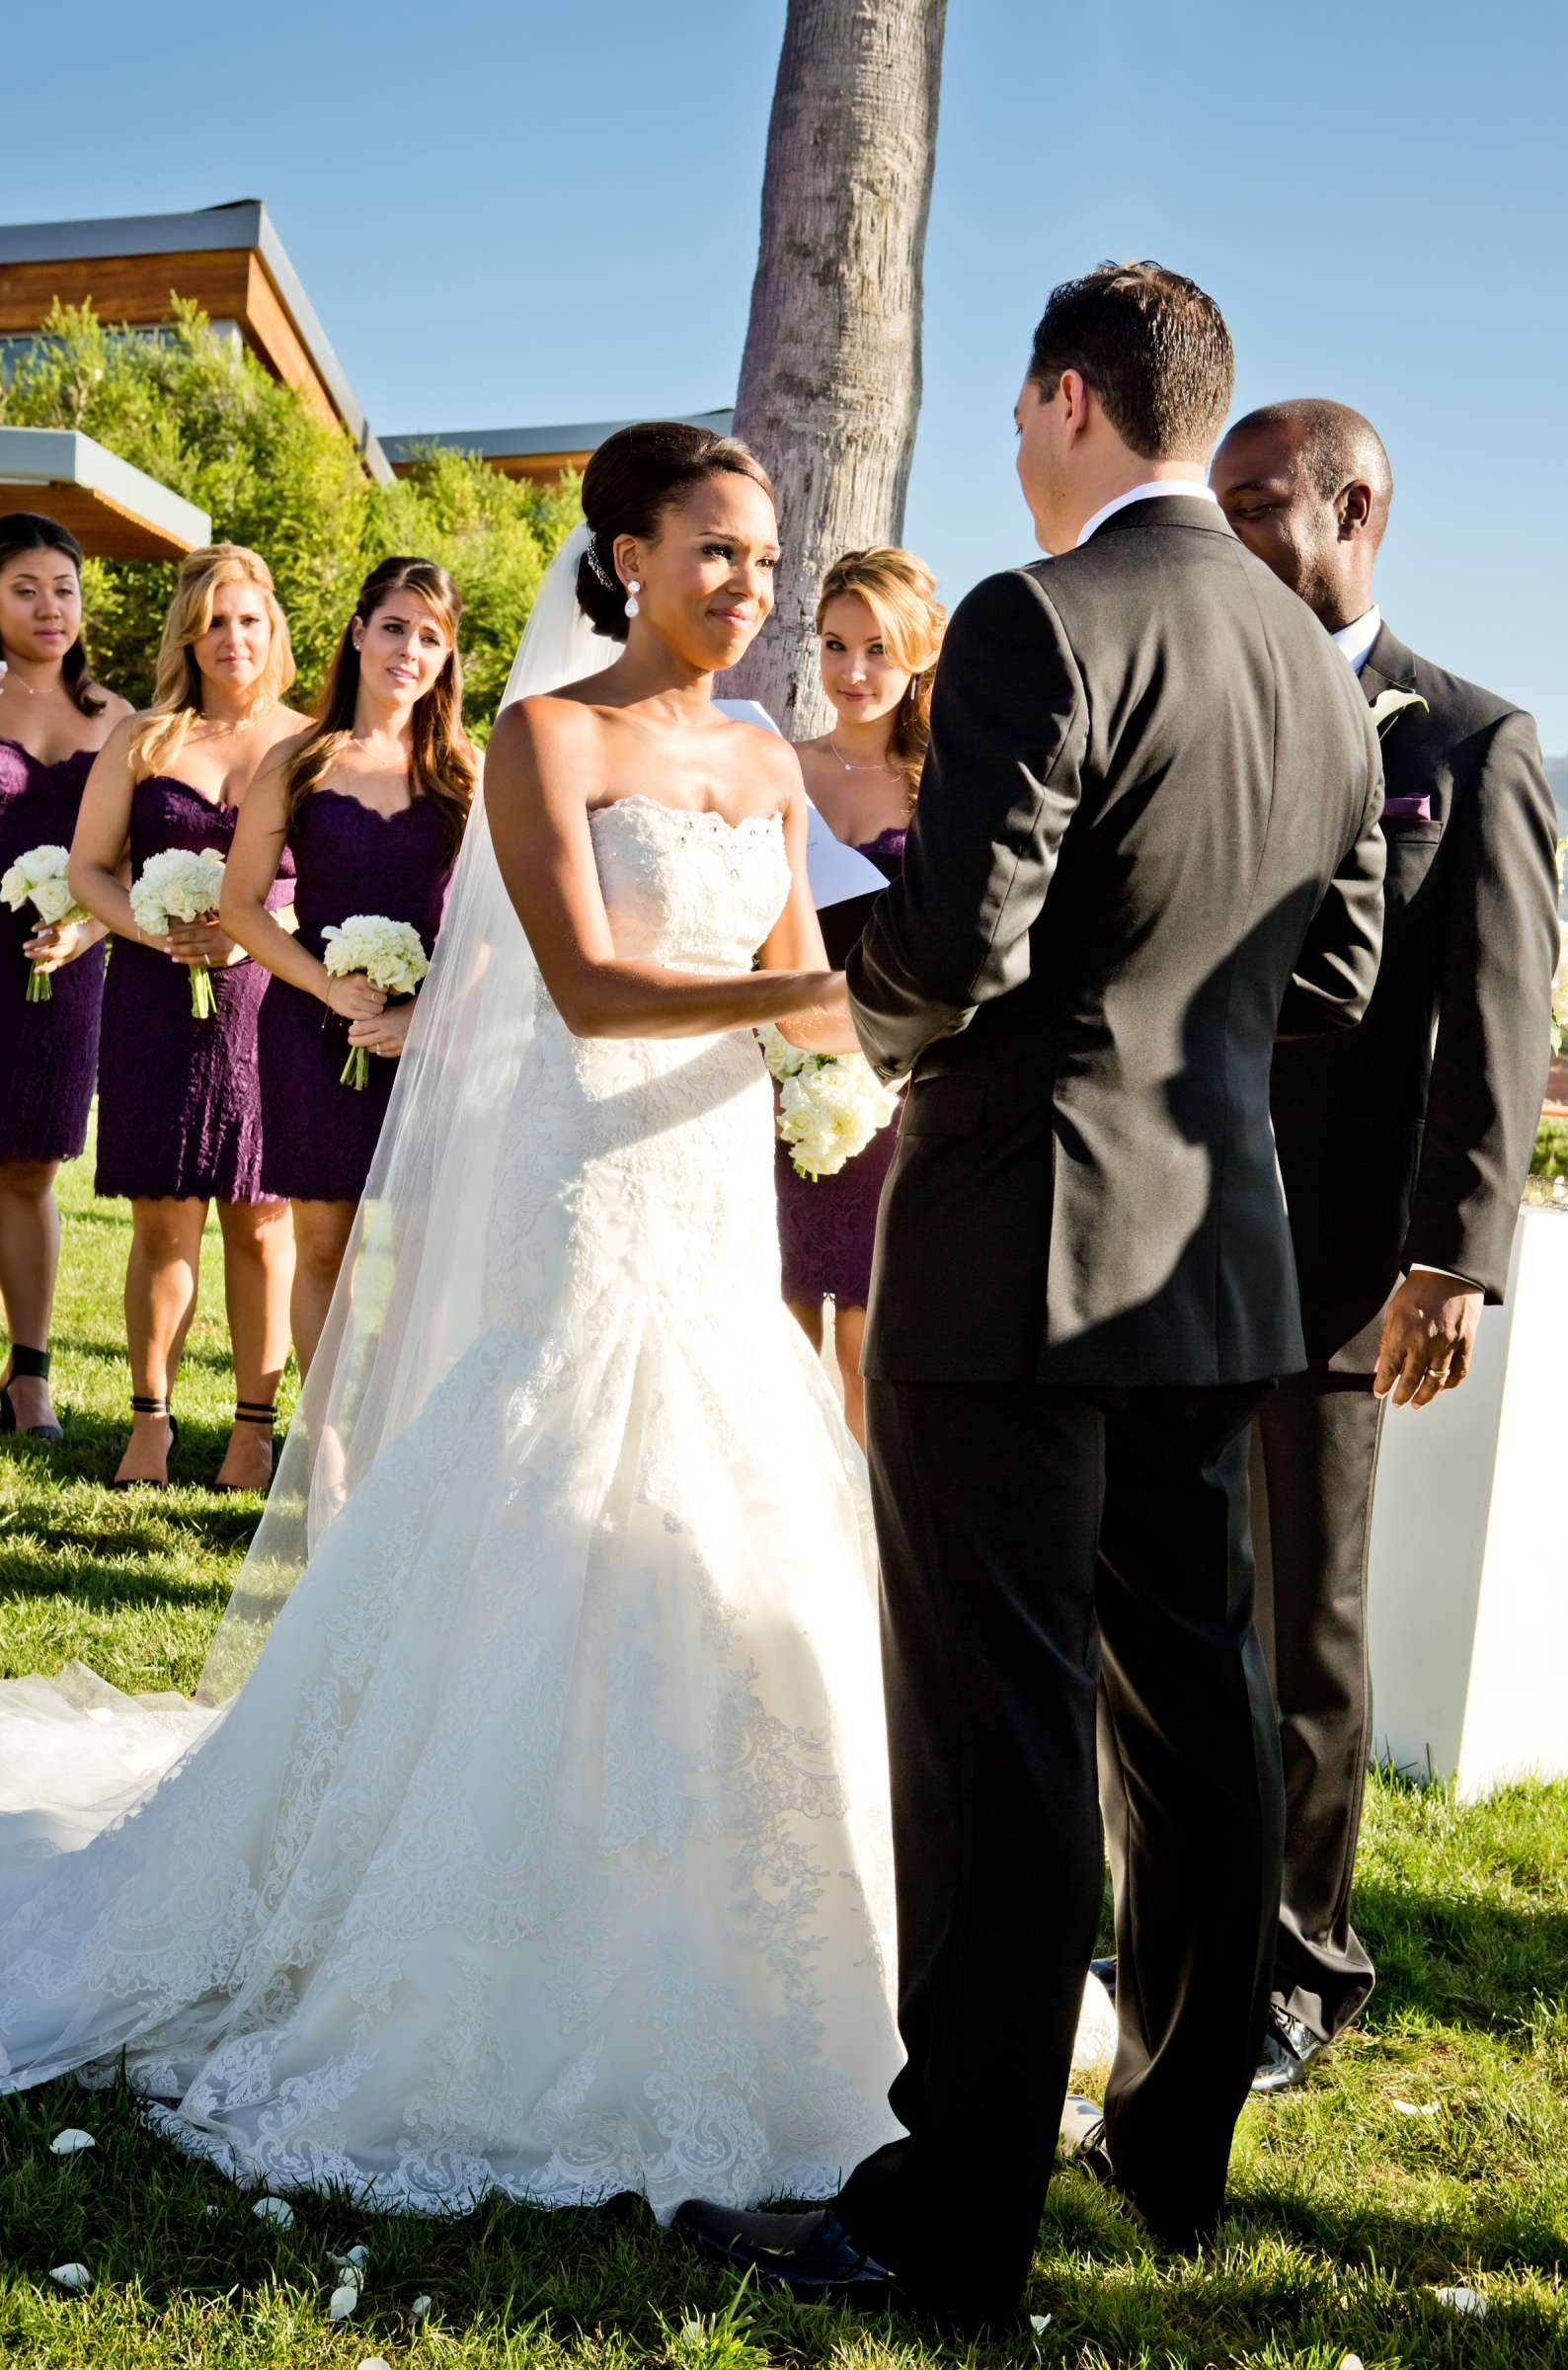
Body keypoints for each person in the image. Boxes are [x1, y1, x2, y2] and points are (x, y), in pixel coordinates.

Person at [1, 424, 1119, 2221]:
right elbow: (596, 988)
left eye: (765, 558)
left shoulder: (764, 757)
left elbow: (788, 987)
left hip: (712, 1208)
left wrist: (848, 1051)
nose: (748, 585)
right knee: (540, 1490)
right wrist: (840, 978)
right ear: (622, 550)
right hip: (593, 1196)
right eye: (716, 551)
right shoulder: (546, 737)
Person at [673, 263, 1386, 2327]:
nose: (1008, 443)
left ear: (1065, 398)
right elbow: (1328, 981)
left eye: (1014, 409)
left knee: (992, 1733)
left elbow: (960, 940)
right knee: (1198, 1717)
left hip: (1011, 1253)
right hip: (1210, 1267)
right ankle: (1169, 2149)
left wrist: (846, 999)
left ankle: (949, 2213)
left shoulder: (1035, 616)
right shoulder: (1313, 664)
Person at [1207, 400, 1559, 2090]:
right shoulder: (1195, 705)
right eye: (1222, 505)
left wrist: (1455, 1259)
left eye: (1264, 504)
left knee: (1309, 1638)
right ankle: (1187, 1923)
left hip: (1347, 1265)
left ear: (1358, 508)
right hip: (1167, 1232)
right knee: (1180, 1612)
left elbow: (1496, 1029)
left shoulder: (1476, 743)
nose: (1238, 532)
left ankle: (1298, 1966)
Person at [69, 546, 305, 1492]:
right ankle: (151, 1421)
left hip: (273, 1003)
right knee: (162, 1223)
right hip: (154, 1002)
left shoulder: (314, 740)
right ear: (188, 635)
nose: (232, 638)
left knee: (262, 1221)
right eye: (213, 621)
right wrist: (154, 933)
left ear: (274, 630)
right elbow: (91, 868)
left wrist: (255, 934)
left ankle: (253, 1431)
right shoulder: (143, 739)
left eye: (249, 619)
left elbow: (333, 884)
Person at [222, 558, 474, 1377]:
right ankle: (323, 1452)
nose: (409, 649)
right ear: (360, 633)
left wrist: (422, 1017)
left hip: (432, 1041)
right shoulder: (296, 761)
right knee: (324, 1242)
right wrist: (327, 985)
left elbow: (494, 928)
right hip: (307, 1025)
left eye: (430, 637)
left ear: (446, 659)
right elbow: (241, 906)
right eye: (395, 627)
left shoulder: (468, 775)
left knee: (415, 1253)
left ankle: (385, 1453)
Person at [776, 548, 946, 1446]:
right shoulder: (774, 767)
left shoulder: (946, 789)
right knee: (774, 1328)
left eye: (878, 649)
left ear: (919, 652)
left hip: (898, 1086)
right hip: (771, 1070)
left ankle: (873, 1562)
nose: (852, 672)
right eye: (835, 645)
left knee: (867, 1348)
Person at [0, 514, 130, 1440]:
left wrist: (86, 930)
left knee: (30, 1169)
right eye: (26, 589)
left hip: (63, 965)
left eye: (65, 590)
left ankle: (30, 1374)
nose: (51, 608)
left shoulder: (116, 717)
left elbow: (130, 857)